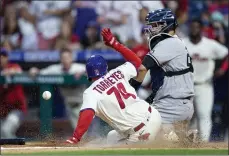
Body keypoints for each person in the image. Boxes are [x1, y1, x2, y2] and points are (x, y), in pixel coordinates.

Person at [101, 8, 195, 141]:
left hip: (170, 105)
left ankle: (174, 138)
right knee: (137, 131)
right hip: (177, 103)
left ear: (165, 25)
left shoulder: (168, 42)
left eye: (154, 25)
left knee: (128, 138)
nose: (150, 29)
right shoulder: (175, 42)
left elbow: (141, 68)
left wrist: (132, 88)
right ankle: (177, 135)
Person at [66, 53, 161, 144]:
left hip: (141, 133)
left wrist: (76, 137)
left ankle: (161, 138)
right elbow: (136, 62)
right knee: (111, 137)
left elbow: (87, 114)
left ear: (88, 74)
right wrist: (115, 44)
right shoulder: (118, 71)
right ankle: (166, 134)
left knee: (106, 149)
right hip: (154, 115)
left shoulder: (91, 92)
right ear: (106, 67)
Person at [183, 19, 228, 142]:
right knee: (186, 117)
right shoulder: (182, 43)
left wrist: (223, 69)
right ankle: (186, 144)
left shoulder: (210, 44)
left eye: (197, 27)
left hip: (204, 85)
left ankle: (203, 144)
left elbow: (226, 54)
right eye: (192, 27)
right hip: (185, 86)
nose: (194, 30)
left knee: (204, 115)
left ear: (202, 29)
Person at [29, 48, 86, 129]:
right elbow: (40, 73)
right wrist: (34, 70)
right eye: (63, 58)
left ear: (71, 58)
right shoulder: (56, 69)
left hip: (84, 104)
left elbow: (93, 70)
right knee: (80, 132)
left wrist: (83, 72)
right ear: (60, 59)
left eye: (67, 58)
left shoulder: (79, 68)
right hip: (69, 106)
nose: (65, 60)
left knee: (89, 131)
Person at [0, 48, 27, 138]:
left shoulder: (13, 66)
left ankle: (19, 150)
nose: (1, 58)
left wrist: (6, 72)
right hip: (3, 111)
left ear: (7, 58)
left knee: (6, 130)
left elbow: (18, 71)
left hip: (17, 109)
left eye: (4, 56)